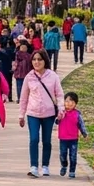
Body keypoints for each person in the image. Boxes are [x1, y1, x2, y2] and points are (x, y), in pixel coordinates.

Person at [18, 49, 64, 178]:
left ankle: (45, 166)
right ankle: (33, 167)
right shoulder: (29, 77)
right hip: (33, 113)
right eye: (34, 59)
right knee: (34, 139)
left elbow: (59, 94)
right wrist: (21, 115)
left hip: (48, 114)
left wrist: (61, 109)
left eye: (39, 59)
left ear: (45, 61)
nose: (36, 62)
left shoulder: (53, 76)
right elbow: (23, 97)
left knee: (46, 141)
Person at [57, 92, 88, 179]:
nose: (69, 103)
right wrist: (59, 117)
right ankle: (64, 165)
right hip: (63, 138)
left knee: (73, 156)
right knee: (63, 154)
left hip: (73, 139)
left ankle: (72, 171)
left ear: (75, 104)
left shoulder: (77, 114)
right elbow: (56, 121)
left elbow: (81, 124)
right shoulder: (61, 112)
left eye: (72, 102)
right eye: (66, 101)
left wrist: (84, 133)